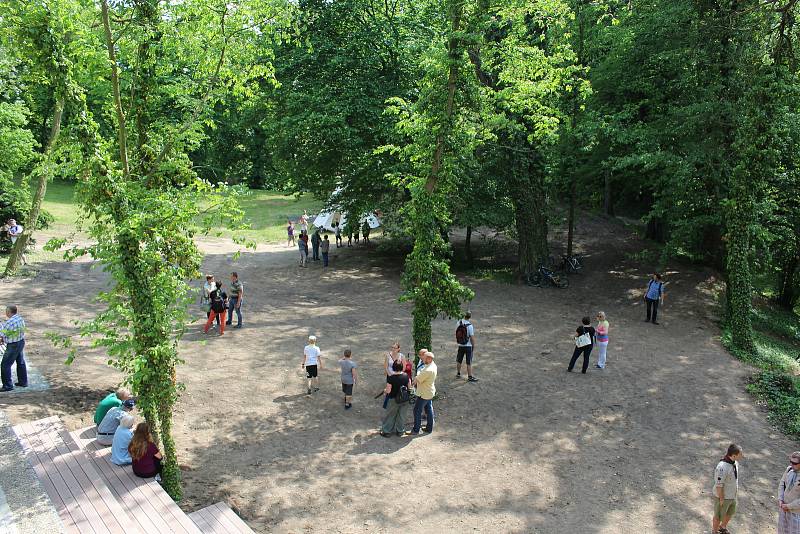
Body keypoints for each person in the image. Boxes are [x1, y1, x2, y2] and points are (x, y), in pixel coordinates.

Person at [712, 443, 743, 534]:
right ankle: (714, 531)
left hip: (732, 495)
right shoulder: (722, 467)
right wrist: (721, 498)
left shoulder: (735, 463)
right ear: (734, 455)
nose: (742, 455)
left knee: (730, 512)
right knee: (718, 515)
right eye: (740, 454)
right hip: (723, 497)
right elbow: (719, 485)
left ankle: (722, 527)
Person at [381, 360, 411, 437]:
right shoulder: (406, 376)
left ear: (393, 367)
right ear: (401, 367)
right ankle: (400, 431)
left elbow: (388, 390)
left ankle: (387, 431)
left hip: (393, 399)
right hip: (404, 399)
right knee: (402, 415)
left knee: (391, 415)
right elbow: (409, 387)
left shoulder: (391, 378)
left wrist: (385, 390)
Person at [0, 305, 27, 392]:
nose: (6, 313)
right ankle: (23, 382)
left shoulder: (9, 322)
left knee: (5, 365)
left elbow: (2, 335)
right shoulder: (20, 318)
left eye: (6, 311)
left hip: (13, 345)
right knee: (21, 362)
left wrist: (2, 339)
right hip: (21, 342)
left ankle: (7, 386)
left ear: (9, 312)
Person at [410, 351, 437, 435]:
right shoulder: (433, 365)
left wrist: (411, 384)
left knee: (417, 410)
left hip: (424, 393)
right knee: (429, 409)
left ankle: (416, 429)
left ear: (429, 359)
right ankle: (429, 428)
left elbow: (417, 380)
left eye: (424, 358)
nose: (422, 359)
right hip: (430, 392)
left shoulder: (427, 370)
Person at [778, 451, 800, 534]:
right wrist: (780, 499)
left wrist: (789, 506)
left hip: (796, 513)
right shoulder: (789, 469)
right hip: (783, 509)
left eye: (794, 463)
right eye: (790, 462)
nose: (791, 464)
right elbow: (782, 484)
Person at [455, 312, 478, 382]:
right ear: (469, 317)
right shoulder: (470, 326)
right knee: (469, 362)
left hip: (460, 345)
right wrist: (473, 346)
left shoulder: (458, 323)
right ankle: (470, 376)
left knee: (459, 360)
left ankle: (458, 373)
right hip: (468, 346)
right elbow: (472, 338)